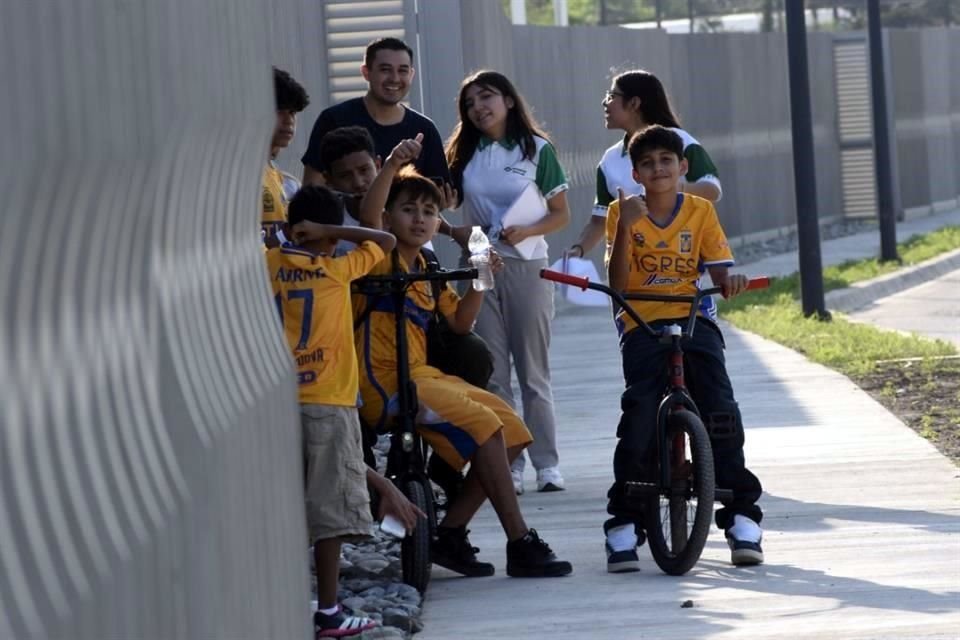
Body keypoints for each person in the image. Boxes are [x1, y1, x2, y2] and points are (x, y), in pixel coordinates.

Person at [354, 159, 572, 579]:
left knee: (512, 431)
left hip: (420, 375)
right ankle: (519, 541)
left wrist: (481, 276)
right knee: (486, 426)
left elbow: (459, 324)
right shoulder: (378, 256)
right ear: (387, 216)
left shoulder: (428, 268)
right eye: (408, 209)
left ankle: (450, 534)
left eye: (429, 212)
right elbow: (368, 215)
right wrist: (394, 163)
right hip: (383, 384)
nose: (420, 219)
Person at [604, 125, 763, 572]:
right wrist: (626, 229)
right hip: (641, 321)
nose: (659, 169)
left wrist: (730, 279)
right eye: (649, 163)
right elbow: (617, 284)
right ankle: (625, 523)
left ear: (683, 167)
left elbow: (720, 266)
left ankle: (742, 518)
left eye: (666, 161)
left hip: (693, 317)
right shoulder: (624, 211)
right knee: (639, 414)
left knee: (720, 408)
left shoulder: (699, 210)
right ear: (636, 172)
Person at [265, 185, 419, 637]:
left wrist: (289, 236)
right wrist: (330, 231)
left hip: (276, 403)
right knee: (328, 512)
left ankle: (289, 597)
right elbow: (386, 242)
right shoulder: (336, 269)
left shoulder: (268, 265)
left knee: (288, 505)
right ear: (327, 234)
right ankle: (329, 611)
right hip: (328, 401)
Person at [445, 70, 571, 495]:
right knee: (494, 374)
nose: (479, 107)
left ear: (509, 101)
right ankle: (509, 465)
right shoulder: (462, 154)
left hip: (527, 265)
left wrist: (529, 229)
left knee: (534, 372)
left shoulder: (537, 149)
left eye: (487, 97)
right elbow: (435, 208)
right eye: (470, 103)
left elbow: (560, 214)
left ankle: (547, 465)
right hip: (480, 265)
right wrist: (454, 233)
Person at [566, 69, 722, 261]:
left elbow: (712, 190)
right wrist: (578, 250)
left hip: (677, 264)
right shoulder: (609, 160)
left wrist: (668, 190)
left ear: (634, 103)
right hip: (629, 269)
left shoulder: (681, 142)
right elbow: (600, 220)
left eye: (611, 96)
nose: (604, 102)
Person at [301, 37, 450, 186]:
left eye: (402, 71)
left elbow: (441, 197)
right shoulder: (334, 119)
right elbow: (312, 190)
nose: (395, 78)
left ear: (411, 75)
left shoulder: (424, 129)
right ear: (366, 72)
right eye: (385, 70)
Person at [262, 67, 310, 247]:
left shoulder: (290, 184)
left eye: (292, 113)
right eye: (280, 110)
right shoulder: (235, 175)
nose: (288, 120)